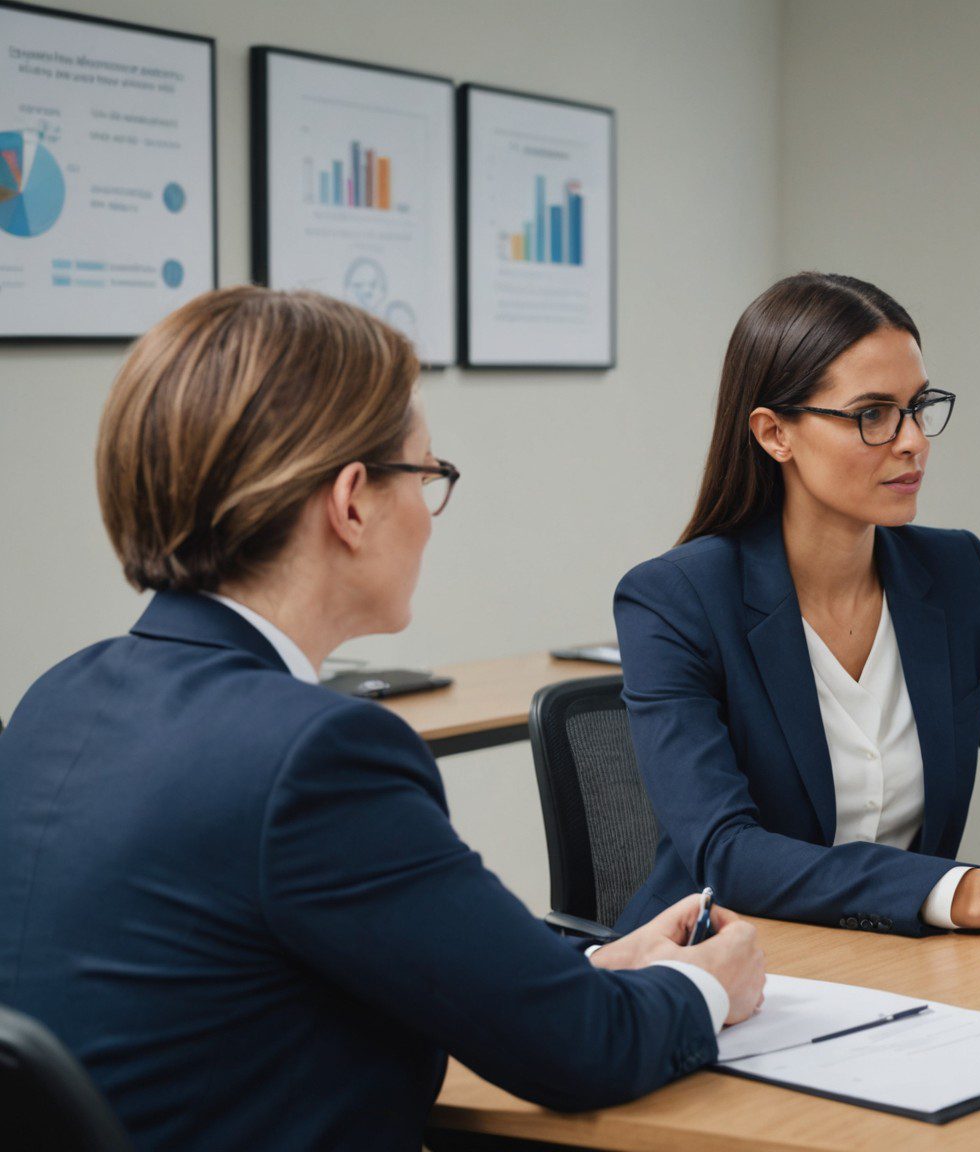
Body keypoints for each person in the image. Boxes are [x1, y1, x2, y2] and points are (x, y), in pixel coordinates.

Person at [0, 287, 766, 1151]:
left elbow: (377, 950)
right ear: (353, 501)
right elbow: (580, 1051)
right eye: (428, 474)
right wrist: (709, 986)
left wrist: (599, 962)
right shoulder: (314, 755)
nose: (430, 516)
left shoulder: (56, 699)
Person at [613, 272, 980, 946]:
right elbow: (727, 853)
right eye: (872, 414)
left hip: (897, 972)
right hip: (717, 968)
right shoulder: (674, 600)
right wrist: (973, 892)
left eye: (917, 407)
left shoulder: (955, 576)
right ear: (775, 433)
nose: (913, 440)